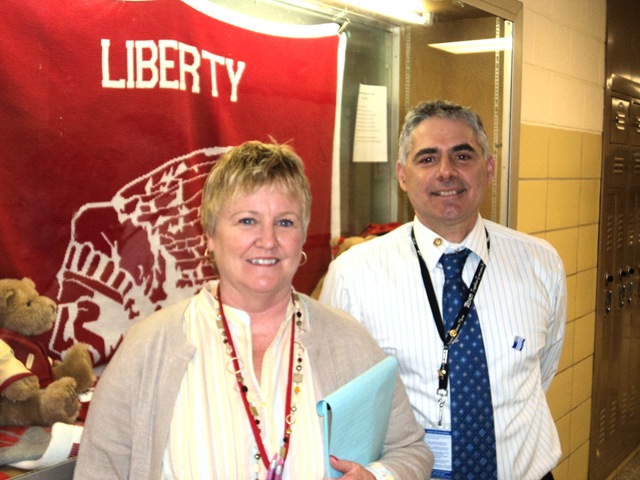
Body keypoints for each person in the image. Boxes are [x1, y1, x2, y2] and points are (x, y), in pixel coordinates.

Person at [73, 140, 433, 480]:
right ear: (209, 234)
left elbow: (409, 450)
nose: (268, 240)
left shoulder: (348, 341)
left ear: (303, 235)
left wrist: (378, 476)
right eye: (247, 220)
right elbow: (98, 471)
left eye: (285, 222)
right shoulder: (148, 348)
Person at [320, 100, 566, 480]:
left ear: (489, 168)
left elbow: (541, 369)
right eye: (428, 158)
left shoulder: (540, 263)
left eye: (462, 156)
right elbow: (339, 400)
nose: (446, 172)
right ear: (402, 175)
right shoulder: (354, 275)